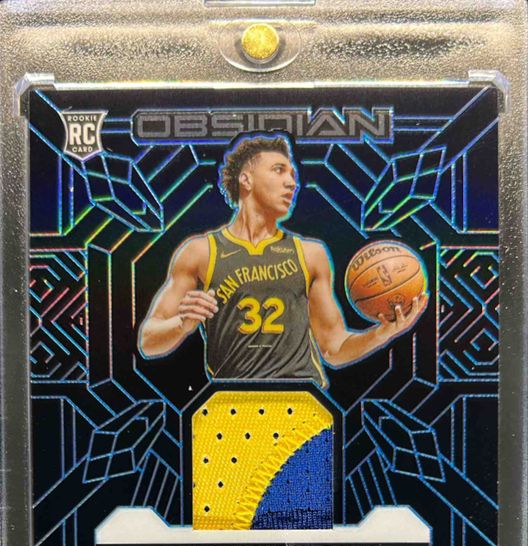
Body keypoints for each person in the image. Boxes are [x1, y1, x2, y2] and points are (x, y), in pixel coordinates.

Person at [138, 134, 427, 387]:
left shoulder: (310, 254)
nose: (291, 183)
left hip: (301, 403)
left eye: (293, 175)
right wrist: (182, 325)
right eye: (278, 171)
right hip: (231, 405)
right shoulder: (201, 252)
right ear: (246, 179)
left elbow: (334, 349)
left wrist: (382, 334)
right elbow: (148, 341)